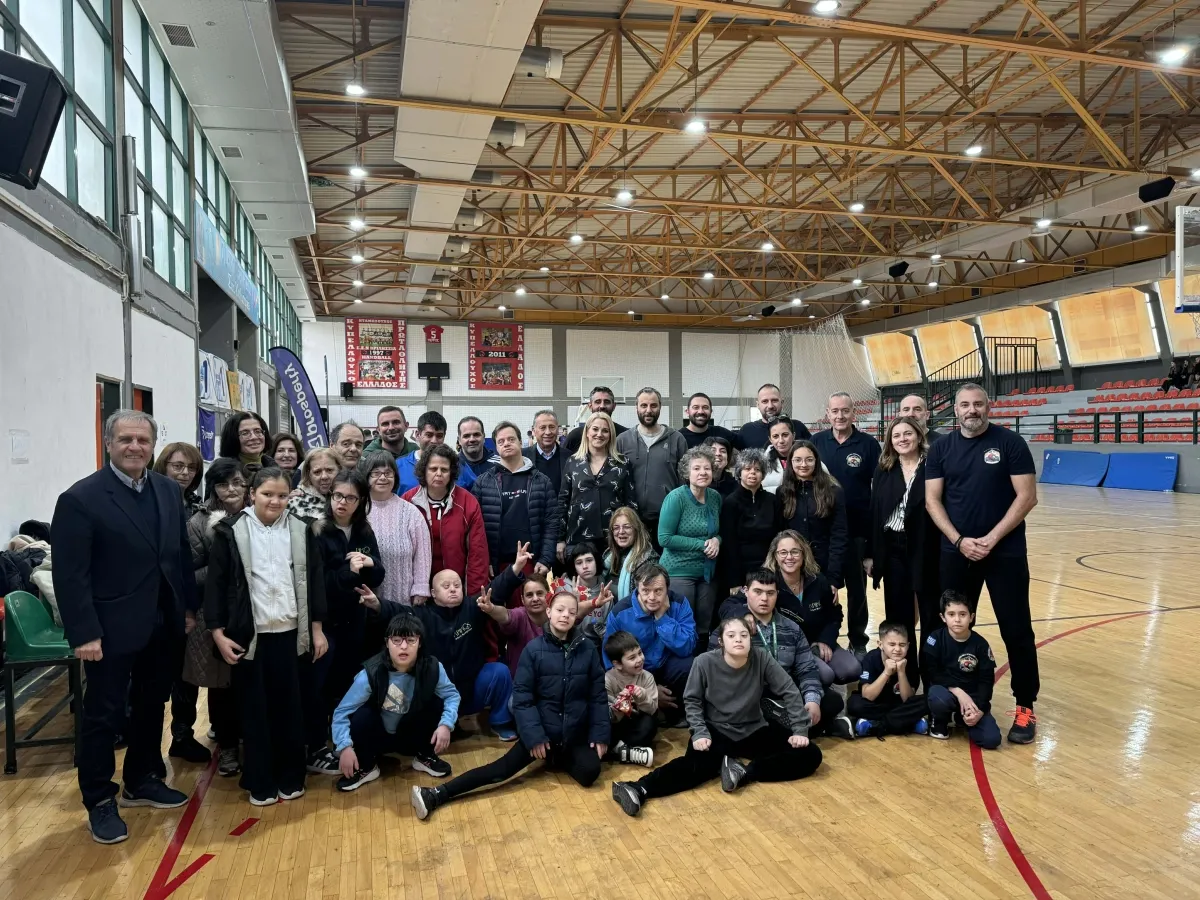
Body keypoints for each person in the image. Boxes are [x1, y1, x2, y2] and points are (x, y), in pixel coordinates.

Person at [52, 410, 199, 844]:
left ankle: (141, 779)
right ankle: (99, 798)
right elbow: (70, 575)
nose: (135, 446)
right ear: (108, 443)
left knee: (153, 705)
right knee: (105, 716)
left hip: (162, 622)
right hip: (108, 629)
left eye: (142, 440)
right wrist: (84, 632)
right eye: (125, 439)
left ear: (153, 445)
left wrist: (187, 608)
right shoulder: (81, 498)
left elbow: (178, 555)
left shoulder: (168, 491)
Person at [411, 587, 609, 820]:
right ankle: (436, 794)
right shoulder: (533, 650)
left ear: (576, 617)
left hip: (573, 733)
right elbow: (523, 699)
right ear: (549, 612)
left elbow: (598, 696)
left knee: (590, 772)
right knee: (501, 770)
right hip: (542, 732)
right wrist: (534, 737)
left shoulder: (587, 649)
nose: (565, 615)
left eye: (571, 612)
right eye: (560, 610)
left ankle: (556, 757)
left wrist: (599, 735)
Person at [610, 615, 822, 817]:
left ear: (750, 639)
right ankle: (638, 788)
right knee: (695, 767)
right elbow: (692, 700)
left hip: (754, 728)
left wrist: (799, 729)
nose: (738, 639)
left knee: (810, 754)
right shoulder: (703, 662)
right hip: (716, 731)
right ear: (721, 642)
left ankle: (744, 772)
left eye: (744, 635)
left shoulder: (761, 657)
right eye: (731, 635)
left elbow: (789, 690)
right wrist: (699, 732)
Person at [205, 467, 329, 806]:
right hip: (251, 637)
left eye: (282, 495)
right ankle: (259, 778)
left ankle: (291, 775)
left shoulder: (302, 529)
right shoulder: (231, 531)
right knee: (254, 711)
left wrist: (317, 629)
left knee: (290, 709)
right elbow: (216, 586)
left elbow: (315, 581)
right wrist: (218, 633)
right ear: (252, 494)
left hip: (291, 635)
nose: (275, 501)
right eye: (267, 494)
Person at [925, 383, 1039, 744]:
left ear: (988, 407)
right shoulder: (942, 448)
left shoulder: (1010, 443)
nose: (971, 410)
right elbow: (932, 501)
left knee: (1016, 630)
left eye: (978, 404)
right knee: (951, 629)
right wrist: (959, 540)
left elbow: (1027, 497)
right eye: (965, 405)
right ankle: (951, 701)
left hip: (1004, 553)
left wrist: (992, 538)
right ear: (955, 410)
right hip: (957, 552)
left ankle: (1025, 706)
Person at [365, 568, 517, 740]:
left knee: (499, 671)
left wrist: (516, 568)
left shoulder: (472, 607)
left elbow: (495, 589)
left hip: (471, 692)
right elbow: (396, 611)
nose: (453, 589)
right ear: (433, 593)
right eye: (446, 586)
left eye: (457, 585)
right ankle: (442, 725)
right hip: (438, 698)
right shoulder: (421, 614)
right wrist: (377, 604)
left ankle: (501, 723)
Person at [331, 611, 459, 792]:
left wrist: (446, 724)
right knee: (361, 715)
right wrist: (344, 747)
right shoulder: (370, 673)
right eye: (397, 640)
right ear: (387, 643)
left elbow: (452, 695)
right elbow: (341, 712)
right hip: (379, 737)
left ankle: (424, 755)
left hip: (411, 734)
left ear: (420, 642)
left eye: (411, 640)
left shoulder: (433, 667)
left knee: (437, 702)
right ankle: (367, 766)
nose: (404, 646)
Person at [715, 569, 846, 739]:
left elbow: (807, 669)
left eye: (770, 593)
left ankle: (782, 726)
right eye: (758, 592)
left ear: (777, 594)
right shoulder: (731, 629)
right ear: (745, 591)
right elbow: (715, 669)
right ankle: (792, 728)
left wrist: (812, 699)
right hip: (749, 691)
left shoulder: (792, 628)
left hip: (785, 689)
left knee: (831, 702)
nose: (764, 598)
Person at [311, 469, 386, 762]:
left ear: (361, 501)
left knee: (348, 683)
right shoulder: (318, 530)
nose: (342, 502)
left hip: (355, 621)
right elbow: (317, 583)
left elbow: (378, 575)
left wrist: (369, 563)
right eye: (337, 495)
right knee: (320, 685)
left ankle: (343, 739)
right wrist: (349, 572)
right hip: (326, 622)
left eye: (350, 498)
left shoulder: (364, 531)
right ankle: (317, 745)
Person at [181, 459, 247, 777]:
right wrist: (226, 566)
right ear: (213, 488)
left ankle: (251, 739)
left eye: (237, 482)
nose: (231, 489)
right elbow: (189, 574)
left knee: (251, 681)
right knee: (221, 685)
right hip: (215, 613)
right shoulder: (199, 522)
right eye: (223, 484)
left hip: (256, 613)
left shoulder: (261, 512)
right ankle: (228, 746)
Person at [864, 416, 939, 674]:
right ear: (890, 440)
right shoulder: (884, 468)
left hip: (926, 547)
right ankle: (906, 675)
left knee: (930, 614)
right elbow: (875, 512)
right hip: (893, 547)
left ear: (918, 435)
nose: (902, 439)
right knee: (899, 615)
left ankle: (931, 673)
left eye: (908, 433)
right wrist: (871, 554)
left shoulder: (933, 465)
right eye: (896, 435)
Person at [813, 392, 880, 656]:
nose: (840, 416)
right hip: (823, 533)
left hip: (856, 532)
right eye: (835, 411)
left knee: (857, 592)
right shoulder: (816, 442)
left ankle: (858, 641)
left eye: (845, 411)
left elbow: (878, 492)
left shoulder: (868, 445)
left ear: (854, 413)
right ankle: (822, 639)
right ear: (827, 414)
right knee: (822, 588)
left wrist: (871, 549)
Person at [603, 562, 697, 726]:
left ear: (667, 589)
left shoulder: (679, 603)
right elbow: (611, 660)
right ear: (637, 589)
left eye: (658, 590)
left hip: (667, 666)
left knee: (689, 665)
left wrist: (662, 619)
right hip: (636, 673)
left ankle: (676, 716)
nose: (652, 597)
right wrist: (650, 690)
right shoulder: (621, 612)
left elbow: (688, 646)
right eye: (646, 591)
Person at [764, 531, 859, 690]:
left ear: (804, 554)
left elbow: (835, 615)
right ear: (775, 556)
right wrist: (745, 615)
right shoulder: (767, 583)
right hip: (791, 649)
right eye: (783, 552)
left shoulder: (817, 580)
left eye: (795, 552)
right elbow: (736, 603)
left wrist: (825, 640)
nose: (789, 557)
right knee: (825, 675)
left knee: (852, 670)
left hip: (818, 641)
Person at [473, 421, 561, 574]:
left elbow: (551, 523)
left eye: (511, 439)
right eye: (501, 441)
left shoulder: (542, 481)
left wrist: (546, 558)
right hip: (497, 566)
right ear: (496, 448)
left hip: (532, 564)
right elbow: (475, 528)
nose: (506, 443)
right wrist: (485, 561)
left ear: (520, 442)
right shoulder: (483, 483)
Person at [403, 444, 490, 595]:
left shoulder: (468, 503)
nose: (438, 474)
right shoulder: (408, 501)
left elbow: (478, 555)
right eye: (433, 469)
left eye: (444, 470)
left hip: (455, 589)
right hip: (418, 590)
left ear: (452, 472)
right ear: (424, 470)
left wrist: (473, 597)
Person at [657, 446, 722, 641]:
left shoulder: (715, 497)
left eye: (707, 468)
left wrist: (717, 540)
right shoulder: (676, 498)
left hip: (707, 572)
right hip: (679, 570)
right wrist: (702, 545)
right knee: (683, 624)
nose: (703, 472)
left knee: (704, 626)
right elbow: (664, 538)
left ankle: (702, 658)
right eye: (696, 468)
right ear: (687, 472)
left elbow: (717, 533)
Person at [921, 591, 1000, 748]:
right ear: (943, 617)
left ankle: (962, 718)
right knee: (937, 696)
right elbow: (933, 673)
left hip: (972, 697)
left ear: (971, 617)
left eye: (962, 614)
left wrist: (980, 710)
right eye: (951, 614)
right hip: (947, 691)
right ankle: (940, 721)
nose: (957, 619)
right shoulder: (935, 639)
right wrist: (957, 691)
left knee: (991, 740)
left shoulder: (981, 645)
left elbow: (986, 680)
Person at [557, 411, 635, 562]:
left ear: (611, 435)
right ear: (587, 432)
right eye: (595, 429)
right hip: (578, 537)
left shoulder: (622, 463)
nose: (599, 434)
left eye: (605, 430)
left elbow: (631, 503)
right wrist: (559, 539)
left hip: (613, 538)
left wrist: (632, 535)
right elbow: (563, 501)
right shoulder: (573, 462)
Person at [360, 451, 432, 608]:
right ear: (367, 476)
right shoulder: (358, 510)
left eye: (388, 473)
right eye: (376, 473)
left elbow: (423, 553)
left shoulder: (410, 512)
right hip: (367, 599)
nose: (383, 478)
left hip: (404, 600)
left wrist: (420, 588)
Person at [615, 387, 688, 541]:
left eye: (653, 405)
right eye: (643, 405)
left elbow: (685, 481)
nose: (648, 410)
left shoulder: (677, 439)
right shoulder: (622, 440)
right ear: (636, 408)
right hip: (631, 519)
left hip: (667, 518)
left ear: (660, 407)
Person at [778, 441, 848, 592]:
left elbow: (839, 536)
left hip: (824, 567)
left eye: (809, 459)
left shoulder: (833, 492)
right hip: (792, 566)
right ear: (790, 462)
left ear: (816, 461)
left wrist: (833, 578)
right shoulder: (782, 493)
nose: (803, 464)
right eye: (798, 460)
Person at [474, 542, 552, 675]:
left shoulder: (556, 613)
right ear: (522, 599)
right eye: (529, 595)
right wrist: (492, 609)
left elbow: (576, 614)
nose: (535, 599)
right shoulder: (520, 615)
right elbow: (506, 616)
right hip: (521, 681)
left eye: (539, 593)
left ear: (548, 595)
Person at [718, 448, 782, 597]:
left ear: (763, 474)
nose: (752, 473)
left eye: (757, 469)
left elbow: (779, 535)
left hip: (769, 567)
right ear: (739, 473)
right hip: (741, 570)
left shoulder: (772, 500)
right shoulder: (730, 502)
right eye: (747, 469)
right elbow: (729, 544)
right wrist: (734, 580)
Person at [849, 621, 929, 738]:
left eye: (902, 645)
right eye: (892, 644)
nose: (897, 649)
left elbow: (907, 699)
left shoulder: (909, 662)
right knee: (854, 704)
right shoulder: (871, 658)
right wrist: (886, 673)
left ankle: (875, 724)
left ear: (908, 645)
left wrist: (901, 672)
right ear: (880, 644)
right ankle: (907, 722)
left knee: (927, 700)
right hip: (877, 704)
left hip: (898, 704)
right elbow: (868, 696)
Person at [603, 631, 658, 767]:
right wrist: (620, 705)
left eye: (640, 653)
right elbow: (608, 716)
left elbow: (652, 710)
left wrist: (643, 696)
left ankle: (618, 749)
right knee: (604, 730)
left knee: (649, 725)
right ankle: (623, 750)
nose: (639, 659)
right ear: (618, 664)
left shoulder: (647, 677)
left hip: (637, 722)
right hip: (618, 723)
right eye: (632, 657)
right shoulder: (608, 679)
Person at [397, 411, 477, 495]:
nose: (434, 441)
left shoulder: (458, 465)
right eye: (429, 435)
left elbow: (477, 492)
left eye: (439, 436)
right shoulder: (399, 466)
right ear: (417, 435)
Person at [604, 506, 658, 602]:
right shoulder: (607, 556)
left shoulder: (649, 560)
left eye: (627, 527)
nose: (621, 532)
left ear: (636, 529)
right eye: (616, 528)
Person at [738, 384, 812, 450]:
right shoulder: (747, 430)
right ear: (758, 405)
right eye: (765, 401)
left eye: (774, 400)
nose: (770, 406)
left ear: (782, 403)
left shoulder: (798, 427)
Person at [565, 385, 628, 454]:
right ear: (590, 406)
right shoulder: (575, 436)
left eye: (607, 402)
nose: (602, 406)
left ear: (614, 406)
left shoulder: (625, 435)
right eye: (597, 402)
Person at [289, 447, 342, 522]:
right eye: (317, 472)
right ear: (308, 475)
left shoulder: (352, 498)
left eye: (329, 470)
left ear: (339, 470)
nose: (324, 476)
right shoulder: (295, 504)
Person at [152, 442, 205, 517]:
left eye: (191, 467)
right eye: (178, 466)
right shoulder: (151, 501)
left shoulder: (198, 504)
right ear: (163, 467)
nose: (185, 472)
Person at [219, 412, 276, 476]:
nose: (254, 437)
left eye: (258, 431)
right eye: (245, 433)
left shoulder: (274, 467)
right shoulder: (224, 473)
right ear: (232, 437)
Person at [523, 409, 567, 491]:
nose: (548, 432)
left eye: (552, 427)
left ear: (558, 430)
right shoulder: (522, 457)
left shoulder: (569, 458)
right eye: (542, 428)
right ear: (534, 431)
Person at [761, 416, 796, 494]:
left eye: (785, 435)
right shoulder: (762, 462)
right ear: (770, 439)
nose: (781, 441)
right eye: (775, 436)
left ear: (793, 436)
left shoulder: (808, 458)